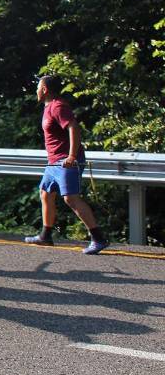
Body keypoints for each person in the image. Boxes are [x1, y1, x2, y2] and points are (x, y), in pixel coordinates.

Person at [25, 75, 108, 254]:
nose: (36, 90)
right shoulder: (48, 108)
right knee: (45, 194)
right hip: (54, 162)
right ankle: (45, 236)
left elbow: (74, 128)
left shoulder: (58, 106)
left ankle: (98, 238)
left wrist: (71, 156)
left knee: (71, 198)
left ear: (45, 89)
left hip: (66, 161)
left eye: (38, 87)